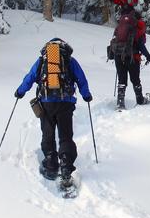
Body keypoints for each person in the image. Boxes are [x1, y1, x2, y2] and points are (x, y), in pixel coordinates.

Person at [14, 38, 92, 181]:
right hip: (65, 103)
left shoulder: (42, 61)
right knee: (65, 135)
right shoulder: (70, 60)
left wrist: (20, 92)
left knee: (48, 134)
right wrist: (86, 95)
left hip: (46, 103)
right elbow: (81, 79)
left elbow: (30, 77)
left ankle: (50, 164)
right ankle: (66, 164)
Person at [109, 10, 150, 110]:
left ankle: (120, 103)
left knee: (122, 79)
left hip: (118, 56)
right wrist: (149, 57)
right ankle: (140, 100)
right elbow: (141, 45)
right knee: (135, 80)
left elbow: (113, 41)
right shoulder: (136, 29)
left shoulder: (119, 27)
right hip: (132, 58)